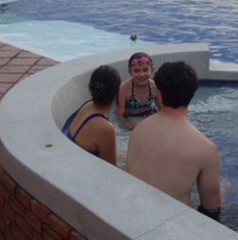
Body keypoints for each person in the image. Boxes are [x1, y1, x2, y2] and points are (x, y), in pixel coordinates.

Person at [126, 61, 222, 219]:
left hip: (133, 215)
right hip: (171, 224)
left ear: (158, 92)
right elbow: (211, 209)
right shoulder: (205, 148)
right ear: (193, 93)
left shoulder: (138, 129)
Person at [61, 65, 121, 165]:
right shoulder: (105, 128)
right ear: (117, 92)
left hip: (70, 160)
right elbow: (111, 168)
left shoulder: (87, 105)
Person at [115, 52, 163, 127]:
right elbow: (120, 113)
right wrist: (128, 127)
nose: (141, 74)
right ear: (130, 72)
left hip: (150, 115)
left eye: (145, 70)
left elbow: (162, 108)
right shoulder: (124, 88)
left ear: (152, 70)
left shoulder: (155, 87)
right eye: (136, 71)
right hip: (131, 118)